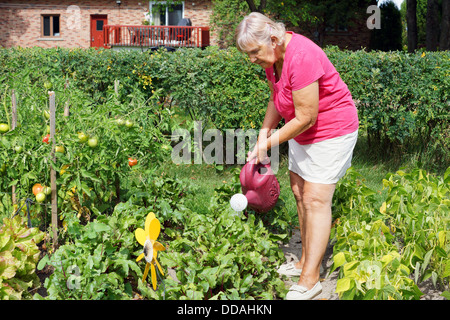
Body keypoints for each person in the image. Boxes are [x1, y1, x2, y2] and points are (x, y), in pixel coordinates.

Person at [235, 12, 359, 300]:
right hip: (302, 132)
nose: (252, 59)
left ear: (274, 40)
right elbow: (276, 99)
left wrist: (268, 145)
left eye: (254, 52)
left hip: (331, 130)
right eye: (248, 54)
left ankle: (311, 280)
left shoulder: (301, 56)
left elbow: (306, 116)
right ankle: (305, 261)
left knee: (316, 199)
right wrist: (264, 132)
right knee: (300, 193)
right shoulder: (273, 59)